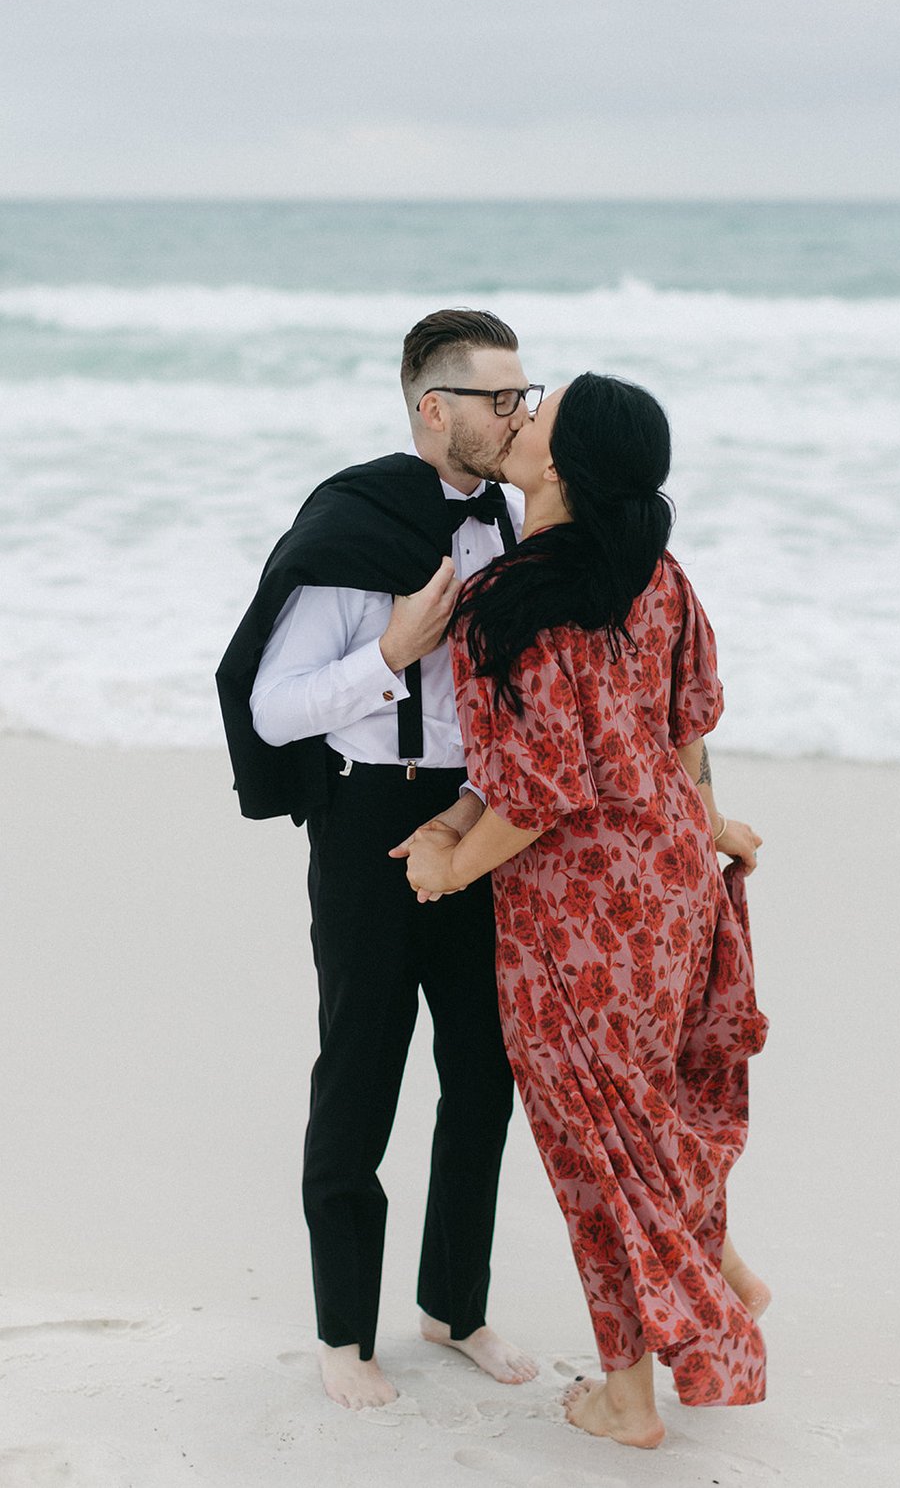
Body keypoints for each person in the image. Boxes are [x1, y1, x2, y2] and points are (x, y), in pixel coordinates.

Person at [394, 374, 770, 1448]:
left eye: (536, 408)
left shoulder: (510, 600)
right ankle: (712, 1274)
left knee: (591, 1146)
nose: (518, 414)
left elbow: (544, 788)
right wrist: (706, 823)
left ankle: (629, 1397)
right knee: (642, 1112)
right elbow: (683, 723)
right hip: (667, 886)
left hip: (575, 911)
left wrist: (449, 867)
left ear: (556, 463)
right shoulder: (657, 576)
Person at [215, 309, 543, 1409]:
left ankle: (454, 1307)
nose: (517, 415)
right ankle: (342, 1332)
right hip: (365, 824)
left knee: (483, 1073)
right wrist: (393, 656)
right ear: (432, 408)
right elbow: (268, 707)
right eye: (499, 398)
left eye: (523, 396)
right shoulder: (349, 526)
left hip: (479, 824)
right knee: (361, 1068)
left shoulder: (510, 523)